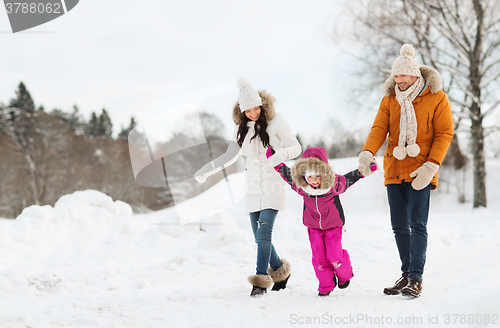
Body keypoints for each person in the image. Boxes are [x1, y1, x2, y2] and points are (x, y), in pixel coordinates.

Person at [358, 44, 454, 298]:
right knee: (399, 226)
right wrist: (368, 153)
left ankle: (416, 278)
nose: (398, 80)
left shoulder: (436, 97)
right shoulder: (389, 99)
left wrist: (431, 165)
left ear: (415, 75)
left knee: (417, 224)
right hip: (394, 168)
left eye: (403, 76)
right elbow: (379, 129)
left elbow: (444, 133)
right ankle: (406, 273)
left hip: (421, 169)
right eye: (396, 76)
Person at [195, 78, 302, 297]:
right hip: (252, 189)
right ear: (242, 111)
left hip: (273, 185)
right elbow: (228, 156)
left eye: (256, 108)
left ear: (261, 105)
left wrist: (279, 155)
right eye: (248, 110)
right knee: (259, 237)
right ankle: (281, 271)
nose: (253, 113)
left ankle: (260, 282)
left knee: (263, 235)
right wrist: (206, 170)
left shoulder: (276, 120)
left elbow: (296, 147)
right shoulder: (241, 129)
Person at [268, 146, 375, 296]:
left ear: (324, 173)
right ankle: (326, 285)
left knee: (334, 255)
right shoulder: (302, 187)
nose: (313, 181)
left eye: (317, 176)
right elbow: (286, 174)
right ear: (304, 176)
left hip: (333, 226)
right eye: (309, 177)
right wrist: (276, 161)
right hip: (313, 227)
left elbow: (351, 178)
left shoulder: (333, 184)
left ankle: (344, 275)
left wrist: (364, 170)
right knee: (319, 258)